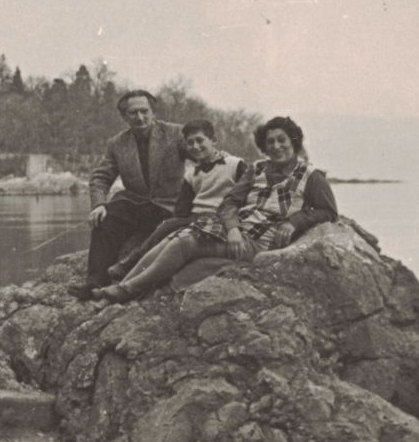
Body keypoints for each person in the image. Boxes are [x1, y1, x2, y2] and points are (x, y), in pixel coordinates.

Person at [93, 115, 337, 303]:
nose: (276, 146)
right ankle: (122, 285)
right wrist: (232, 229)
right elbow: (230, 202)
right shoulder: (257, 169)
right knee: (176, 235)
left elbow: (328, 211)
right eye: (270, 141)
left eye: (281, 140)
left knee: (186, 242)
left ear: (293, 141)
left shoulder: (311, 176)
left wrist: (295, 221)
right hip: (236, 232)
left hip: (261, 241)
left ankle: (125, 290)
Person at [68, 89, 186, 299]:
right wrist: (98, 205)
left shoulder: (176, 134)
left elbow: (202, 154)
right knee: (105, 219)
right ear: (124, 117)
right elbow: (101, 178)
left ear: (153, 112)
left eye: (144, 111)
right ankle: (95, 283)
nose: (140, 117)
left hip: (170, 206)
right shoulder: (117, 143)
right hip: (137, 205)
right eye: (133, 113)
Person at [106, 118, 247, 281]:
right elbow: (182, 208)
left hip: (220, 217)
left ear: (214, 140)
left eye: (200, 141)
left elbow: (247, 194)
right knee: (168, 227)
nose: (195, 146)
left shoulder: (234, 164)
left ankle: (130, 264)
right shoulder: (192, 173)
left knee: (170, 228)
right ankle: (131, 271)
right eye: (190, 143)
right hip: (195, 218)